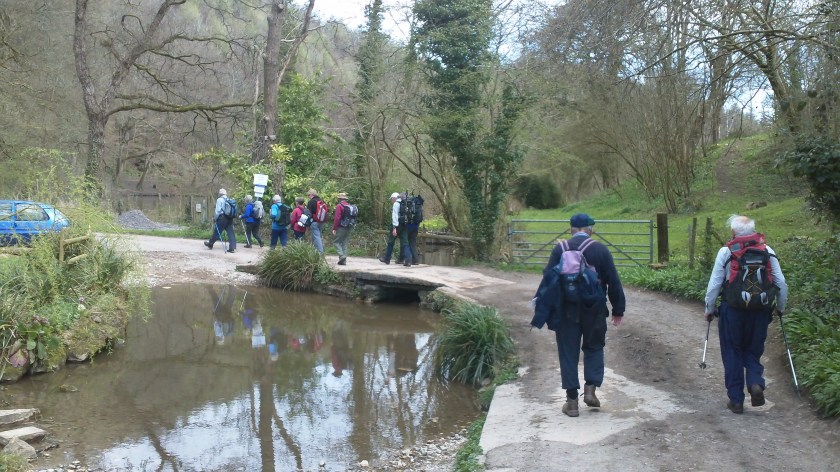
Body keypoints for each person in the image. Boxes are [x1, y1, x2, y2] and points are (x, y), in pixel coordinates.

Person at [538, 213, 625, 418]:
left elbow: (548, 280)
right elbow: (613, 281)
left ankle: (572, 402)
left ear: (571, 230)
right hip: (594, 309)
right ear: (590, 229)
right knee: (594, 346)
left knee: (568, 353)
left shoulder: (560, 249)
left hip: (566, 310)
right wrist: (618, 309)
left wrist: (544, 309)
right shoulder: (600, 250)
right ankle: (590, 389)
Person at [704, 214, 788, 414]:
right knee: (753, 351)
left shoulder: (726, 252)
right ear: (754, 230)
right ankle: (755, 383)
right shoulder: (767, 251)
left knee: (732, 351)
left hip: (732, 311)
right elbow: (781, 284)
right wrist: (780, 307)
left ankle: (736, 400)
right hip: (760, 311)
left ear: (734, 232)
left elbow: (715, 284)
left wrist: (709, 308)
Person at [379, 192, 411, 266]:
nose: (391, 201)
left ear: (394, 198)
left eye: (392, 199)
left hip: (397, 226)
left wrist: (394, 228)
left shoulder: (396, 204)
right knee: (405, 243)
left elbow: (395, 216)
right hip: (405, 225)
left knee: (391, 242)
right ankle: (408, 261)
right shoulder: (406, 203)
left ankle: (387, 258)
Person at [204, 188, 237, 253]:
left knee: (217, 232)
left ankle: (210, 244)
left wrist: (215, 218)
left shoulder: (219, 200)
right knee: (231, 233)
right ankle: (232, 248)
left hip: (222, 218)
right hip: (230, 218)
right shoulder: (229, 199)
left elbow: (218, 211)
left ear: (220, 194)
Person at [332, 192, 355, 266]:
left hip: (341, 226)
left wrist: (334, 228)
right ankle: (343, 261)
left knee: (336, 242)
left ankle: (342, 256)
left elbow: (337, 218)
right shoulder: (349, 206)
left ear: (339, 199)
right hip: (349, 226)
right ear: (345, 199)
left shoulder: (339, 206)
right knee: (344, 242)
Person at [306, 189, 325, 254]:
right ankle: (315, 252)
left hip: (314, 222)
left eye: (308, 195)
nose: (308, 196)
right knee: (317, 236)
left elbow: (308, 214)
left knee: (316, 237)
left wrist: (307, 224)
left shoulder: (311, 202)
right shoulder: (322, 201)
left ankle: (320, 252)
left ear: (311, 195)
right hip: (321, 221)